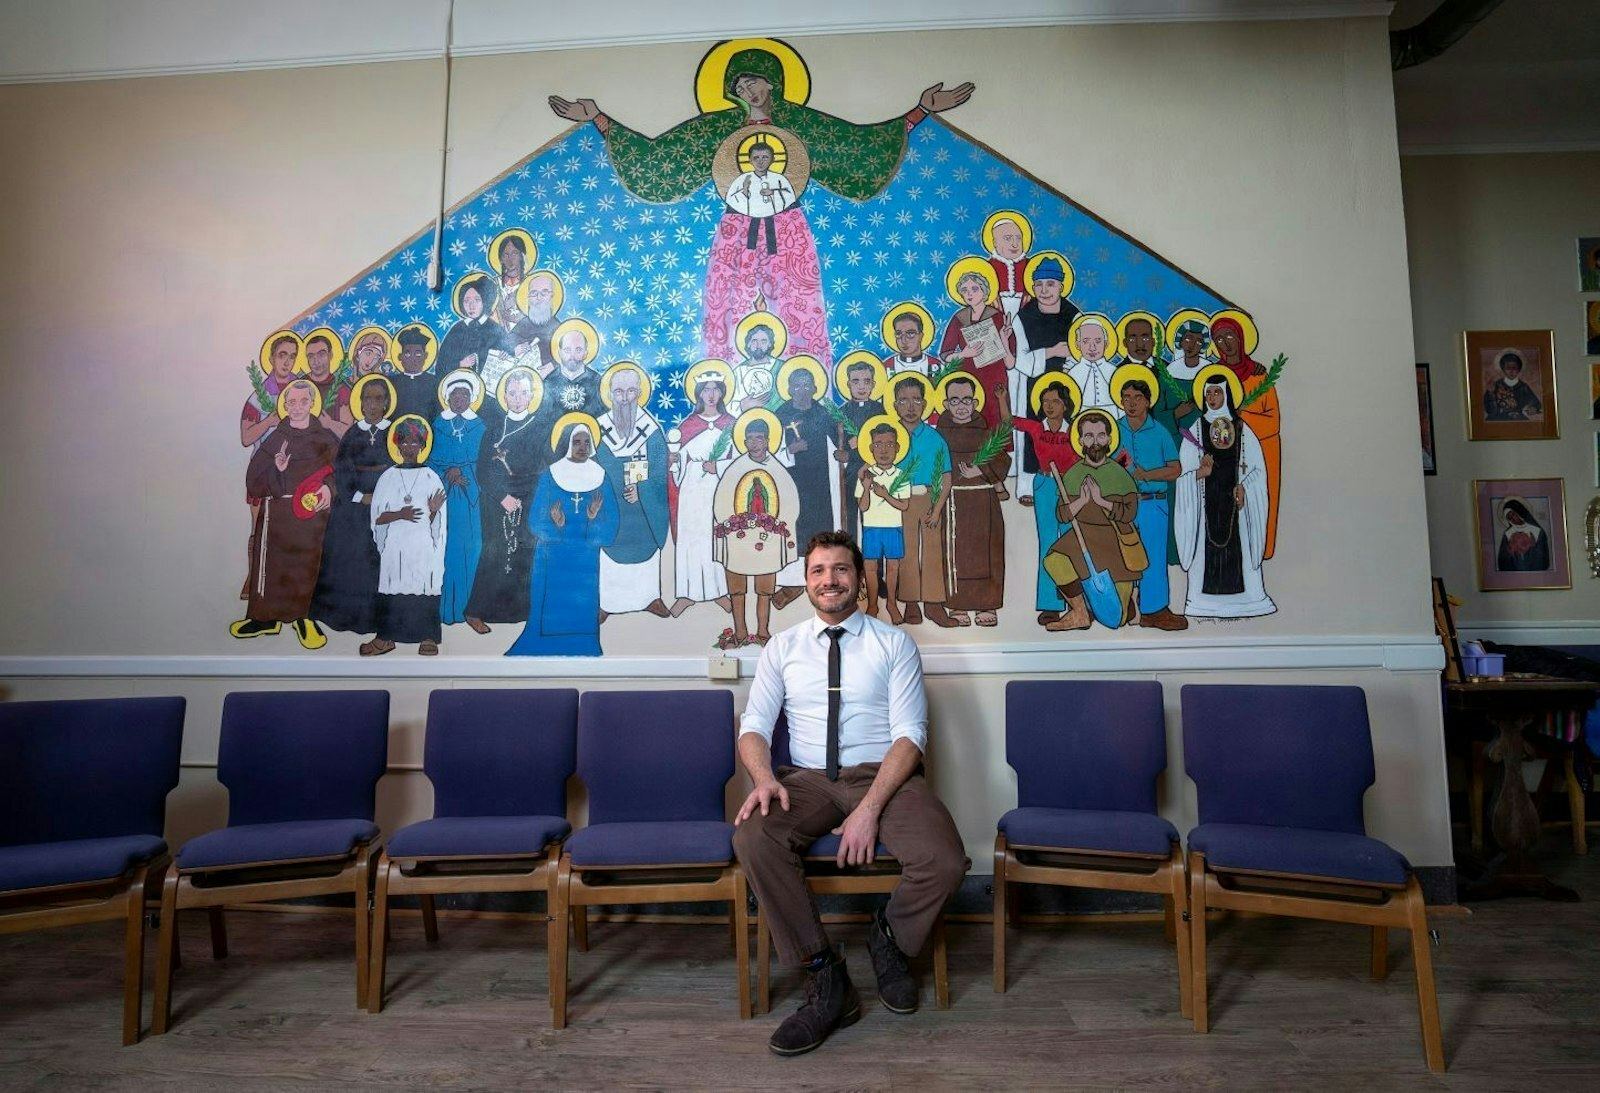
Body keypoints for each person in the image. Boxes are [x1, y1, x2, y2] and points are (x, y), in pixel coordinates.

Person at [549, 45, 972, 373]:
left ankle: (807, 385)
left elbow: (859, 150)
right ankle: (730, 388)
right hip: (736, 230)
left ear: (773, 82)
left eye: (753, 81)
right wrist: (599, 119)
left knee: (798, 309)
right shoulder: (717, 128)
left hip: (788, 229)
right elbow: (662, 161)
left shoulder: (803, 125)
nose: (747, 91)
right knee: (729, 309)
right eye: (738, 86)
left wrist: (921, 112)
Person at [733, 531, 966, 1057]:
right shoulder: (783, 647)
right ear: (806, 581)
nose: (829, 580)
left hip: (881, 774)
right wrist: (765, 779)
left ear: (859, 580)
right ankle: (824, 975)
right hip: (806, 780)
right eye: (818, 571)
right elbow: (754, 726)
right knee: (754, 837)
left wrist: (868, 809)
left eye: (841, 569)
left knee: (945, 860)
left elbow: (911, 736)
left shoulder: (893, 644)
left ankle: (890, 938)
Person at [231, 378, 337, 650]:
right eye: (292, 402)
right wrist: (276, 469)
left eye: (304, 401)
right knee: (274, 567)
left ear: (313, 403)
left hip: (312, 519)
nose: (298, 407)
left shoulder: (325, 439)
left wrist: (327, 490)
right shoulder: (276, 438)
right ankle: (264, 618)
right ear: (285, 405)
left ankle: (304, 619)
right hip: (277, 517)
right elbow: (253, 480)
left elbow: (340, 474)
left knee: (307, 567)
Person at [507, 419, 620, 656]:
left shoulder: (600, 475)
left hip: (585, 555)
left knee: (582, 607)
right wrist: (555, 525)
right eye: (576, 442)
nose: (582, 447)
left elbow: (612, 521)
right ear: (567, 444)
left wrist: (592, 520)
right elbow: (535, 520)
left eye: (586, 442)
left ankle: (584, 646)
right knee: (551, 607)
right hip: (552, 554)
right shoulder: (551, 475)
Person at [1173, 372, 1275, 619]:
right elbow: (1184, 475)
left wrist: (1246, 487)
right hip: (1206, 503)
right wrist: (1200, 473)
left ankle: (1248, 601)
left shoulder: (1241, 429)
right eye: (1208, 393)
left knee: (1238, 543)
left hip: (1235, 505)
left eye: (1217, 392)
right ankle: (1202, 603)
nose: (1212, 397)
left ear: (1227, 394)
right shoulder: (1196, 430)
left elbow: (1257, 470)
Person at [1040, 411, 1145, 632]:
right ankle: (1079, 612)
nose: (1095, 442)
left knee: (1117, 619)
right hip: (1082, 535)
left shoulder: (1119, 474)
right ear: (1080, 441)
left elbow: (1130, 513)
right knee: (1054, 560)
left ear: (1108, 439)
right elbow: (1062, 515)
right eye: (1088, 436)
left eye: (1100, 436)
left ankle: (1129, 604)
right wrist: (1082, 501)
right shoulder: (1073, 473)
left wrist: (1101, 501)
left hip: (1115, 539)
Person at [310, 374, 395, 636]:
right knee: (350, 557)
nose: (372, 404)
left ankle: (378, 620)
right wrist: (359, 497)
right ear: (360, 402)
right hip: (353, 506)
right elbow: (342, 468)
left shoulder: (394, 432)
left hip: (387, 506)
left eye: (378, 398)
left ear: (387, 402)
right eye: (367, 398)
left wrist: (382, 497)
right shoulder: (352, 433)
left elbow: (400, 466)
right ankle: (344, 616)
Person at [463, 367, 546, 633]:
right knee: (495, 551)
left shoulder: (539, 426)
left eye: (523, 393)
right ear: (505, 396)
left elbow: (545, 466)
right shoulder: (495, 428)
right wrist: (503, 497)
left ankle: (518, 611)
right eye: (513, 393)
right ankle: (475, 611)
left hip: (529, 497)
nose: (518, 398)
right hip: (497, 498)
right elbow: (483, 471)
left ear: (532, 395)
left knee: (524, 551)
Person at [713, 415, 801, 645]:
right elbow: (722, 500)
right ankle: (740, 632)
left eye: (759, 438)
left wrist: (778, 524)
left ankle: (763, 632)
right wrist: (731, 523)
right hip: (738, 539)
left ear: (768, 441)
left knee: (764, 590)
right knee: (737, 590)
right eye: (750, 439)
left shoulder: (776, 469)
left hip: (766, 539)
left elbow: (789, 501)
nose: (754, 444)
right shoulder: (737, 468)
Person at [364, 417, 448, 656]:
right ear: (397, 445)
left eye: (415, 443)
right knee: (393, 585)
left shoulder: (431, 477)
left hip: (423, 547)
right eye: (405, 442)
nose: (409, 447)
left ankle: (428, 637)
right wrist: (399, 514)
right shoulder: (388, 477)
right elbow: (377, 518)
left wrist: (433, 511)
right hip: (395, 546)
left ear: (422, 446)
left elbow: (439, 525)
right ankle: (386, 638)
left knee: (423, 585)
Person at [595, 364, 671, 619]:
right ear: (610, 394)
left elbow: (659, 467)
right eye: (618, 392)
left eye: (630, 391)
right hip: (609, 504)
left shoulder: (649, 429)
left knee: (645, 552)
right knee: (608, 550)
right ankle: (607, 603)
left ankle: (649, 598)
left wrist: (643, 490)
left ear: (639, 393)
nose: (625, 398)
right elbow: (592, 464)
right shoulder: (599, 428)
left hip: (642, 509)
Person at [1000, 378, 1078, 625]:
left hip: (1070, 486)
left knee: (1071, 543)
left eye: (1055, 401)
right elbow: (1008, 422)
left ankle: (1077, 604)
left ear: (1065, 404)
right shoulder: (1037, 428)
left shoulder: (1074, 430)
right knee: (1048, 543)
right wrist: (1002, 399)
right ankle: (1050, 604)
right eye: (1045, 402)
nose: (1050, 406)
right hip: (1044, 485)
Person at [1111, 374, 1186, 630]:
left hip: (1154, 502)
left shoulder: (1160, 431)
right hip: (1123, 504)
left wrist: (1148, 475)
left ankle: (1154, 611)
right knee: (1123, 554)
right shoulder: (1114, 430)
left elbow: (1175, 469)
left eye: (1138, 398)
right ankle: (1124, 606)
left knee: (1153, 556)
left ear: (1148, 401)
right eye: (1127, 398)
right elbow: (1107, 462)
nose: (1131, 403)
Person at [935, 376, 1008, 626]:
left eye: (967, 399)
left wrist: (981, 471)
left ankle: (987, 605)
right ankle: (957, 606)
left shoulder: (986, 432)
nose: (961, 405)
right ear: (946, 403)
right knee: (955, 554)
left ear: (975, 402)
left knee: (987, 552)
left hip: (983, 502)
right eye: (955, 400)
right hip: (953, 502)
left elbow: (1002, 459)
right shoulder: (939, 435)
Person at [1211, 315, 1281, 559]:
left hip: (1261, 450)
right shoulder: (1216, 377)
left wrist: (1242, 417)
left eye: (1230, 335)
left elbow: (1272, 421)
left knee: (1260, 503)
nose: (1225, 343)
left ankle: (1262, 550)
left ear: (1241, 338)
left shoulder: (1260, 377)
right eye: (1218, 339)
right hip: (1225, 453)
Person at [669, 367, 736, 617]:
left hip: (718, 488)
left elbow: (739, 461)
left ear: (722, 392)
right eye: (706, 389)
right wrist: (674, 460)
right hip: (691, 490)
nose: (711, 394)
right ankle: (687, 593)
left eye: (716, 389)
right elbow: (677, 467)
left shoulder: (731, 425)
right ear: (698, 393)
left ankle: (720, 592)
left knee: (715, 538)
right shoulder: (688, 426)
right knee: (691, 538)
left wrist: (717, 466)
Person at [1011, 257, 1078, 503]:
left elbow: (1079, 351)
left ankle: (1069, 481)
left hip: (1067, 383)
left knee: (1067, 432)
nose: (1044, 290)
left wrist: (1069, 362)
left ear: (1061, 286)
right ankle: (1028, 486)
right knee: (1033, 431)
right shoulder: (1024, 318)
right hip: (1034, 384)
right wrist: (1051, 352)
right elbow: (1020, 358)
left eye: (1050, 284)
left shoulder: (1073, 315)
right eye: (1039, 284)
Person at [890, 377, 956, 627]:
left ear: (925, 404)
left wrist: (937, 509)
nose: (910, 406)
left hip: (929, 498)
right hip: (900, 500)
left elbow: (946, 477)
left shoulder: (934, 438)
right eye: (904, 400)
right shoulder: (890, 434)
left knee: (932, 551)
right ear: (895, 405)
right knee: (905, 551)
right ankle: (910, 604)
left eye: (916, 400)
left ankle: (934, 605)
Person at [772, 361, 838, 608]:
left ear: (814, 387)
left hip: (820, 483)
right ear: (789, 388)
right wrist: (790, 450)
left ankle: (819, 580)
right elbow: (769, 449)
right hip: (791, 483)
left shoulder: (822, 413)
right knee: (793, 532)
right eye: (797, 385)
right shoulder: (781, 414)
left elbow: (839, 440)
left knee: (819, 532)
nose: (802, 389)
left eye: (806, 384)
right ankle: (792, 584)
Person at [430, 372, 486, 627]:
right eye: (454, 394)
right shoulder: (438, 426)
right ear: (447, 397)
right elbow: (429, 460)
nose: (459, 399)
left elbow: (484, 463)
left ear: (472, 397)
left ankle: (468, 608)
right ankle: (445, 610)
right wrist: (447, 474)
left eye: (464, 394)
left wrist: (465, 474)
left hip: (469, 499)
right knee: (444, 551)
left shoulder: (480, 427)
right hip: (444, 499)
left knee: (471, 550)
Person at [938, 269, 1013, 431]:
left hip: (994, 379)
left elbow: (1010, 363)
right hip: (968, 380)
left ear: (984, 291)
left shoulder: (998, 317)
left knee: (995, 423)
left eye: (974, 289)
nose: (969, 294)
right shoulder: (959, 319)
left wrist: (1005, 340)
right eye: (965, 290)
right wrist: (964, 354)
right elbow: (945, 355)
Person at [855, 421, 910, 622]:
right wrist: (867, 487)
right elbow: (862, 507)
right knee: (870, 567)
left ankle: (892, 604)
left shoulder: (901, 475)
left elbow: (904, 505)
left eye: (889, 444)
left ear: (897, 448)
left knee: (893, 567)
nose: (884, 450)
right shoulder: (866, 475)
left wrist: (885, 495)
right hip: (872, 528)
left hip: (893, 528)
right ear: (871, 449)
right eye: (878, 445)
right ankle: (872, 605)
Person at [832, 357, 886, 540]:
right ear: (848, 384)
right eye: (856, 381)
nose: (861, 386)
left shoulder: (880, 411)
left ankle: (874, 565)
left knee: (873, 517)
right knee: (850, 517)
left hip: (875, 472)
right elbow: (838, 444)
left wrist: (860, 445)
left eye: (866, 381)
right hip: (851, 473)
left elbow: (886, 440)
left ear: (873, 384)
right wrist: (845, 454)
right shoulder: (841, 413)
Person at [725, 135, 797, 250]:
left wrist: (773, 193)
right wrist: (744, 192)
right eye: (756, 158)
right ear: (750, 160)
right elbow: (731, 205)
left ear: (772, 159)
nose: (760, 161)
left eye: (765, 157)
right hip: (748, 226)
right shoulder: (742, 180)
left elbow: (791, 201)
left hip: (776, 226)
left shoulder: (779, 179)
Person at [438, 275, 514, 376]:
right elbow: (441, 365)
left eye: (477, 300)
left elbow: (511, 358)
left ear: (485, 302)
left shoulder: (496, 330)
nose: (471, 306)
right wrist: (461, 364)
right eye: (466, 301)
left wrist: (506, 356)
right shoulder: (457, 330)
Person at [241, 332, 301, 449]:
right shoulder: (258, 397)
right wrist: (268, 422)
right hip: (266, 460)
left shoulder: (302, 389)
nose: (287, 362)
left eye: (292, 357)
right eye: (282, 355)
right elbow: (246, 438)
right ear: (271, 359)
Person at [538, 322, 604, 418]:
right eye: (567, 350)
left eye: (578, 350)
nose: (572, 356)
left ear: (586, 353)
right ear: (559, 352)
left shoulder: (598, 382)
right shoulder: (549, 381)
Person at [390, 324, 441, 423]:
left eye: (418, 354)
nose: (412, 359)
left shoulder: (435, 382)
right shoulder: (392, 383)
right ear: (400, 357)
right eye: (407, 354)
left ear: (425, 356)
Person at [1067, 316, 1119, 414]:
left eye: (1098, 341)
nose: (1092, 347)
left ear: (1106, 343)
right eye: (1086, 341)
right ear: (1078, 345)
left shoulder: (1114, 371)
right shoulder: (1073, 373)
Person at [730, 320, 781, 415]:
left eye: (763, 341)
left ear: (770, 344)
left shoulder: (781, 368)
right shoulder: (738, 372)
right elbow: (727, 404)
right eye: (754, 341)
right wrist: (742, 406)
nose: (758, 346)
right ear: (748, 344)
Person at [881, 309, 942, 380]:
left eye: (910, 333)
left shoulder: (936, 367)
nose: (903, 340)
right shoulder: (886, 367)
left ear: (920, 336)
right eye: (898, 334)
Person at [1483, 350, 1543, 422]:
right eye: (1508, 368)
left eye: (1514, 368)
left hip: (1518, 418)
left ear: (1519, 369)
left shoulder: (1523, 387)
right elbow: (1490, 410)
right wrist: (1491, 394)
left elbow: (1536, 403)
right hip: (1498, 418)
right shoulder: (1495, 385)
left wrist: (1534, 409)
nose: (1511, 371)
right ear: (1503, 369)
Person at [1497, 499, 1551, 572]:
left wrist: (1533, 547)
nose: (1512, 519)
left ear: (1519, 512)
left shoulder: (1537, 531)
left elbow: (1543, 560)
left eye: (1513, 514)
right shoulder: (1508, 534)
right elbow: (1503, 561)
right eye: (1509, 518)